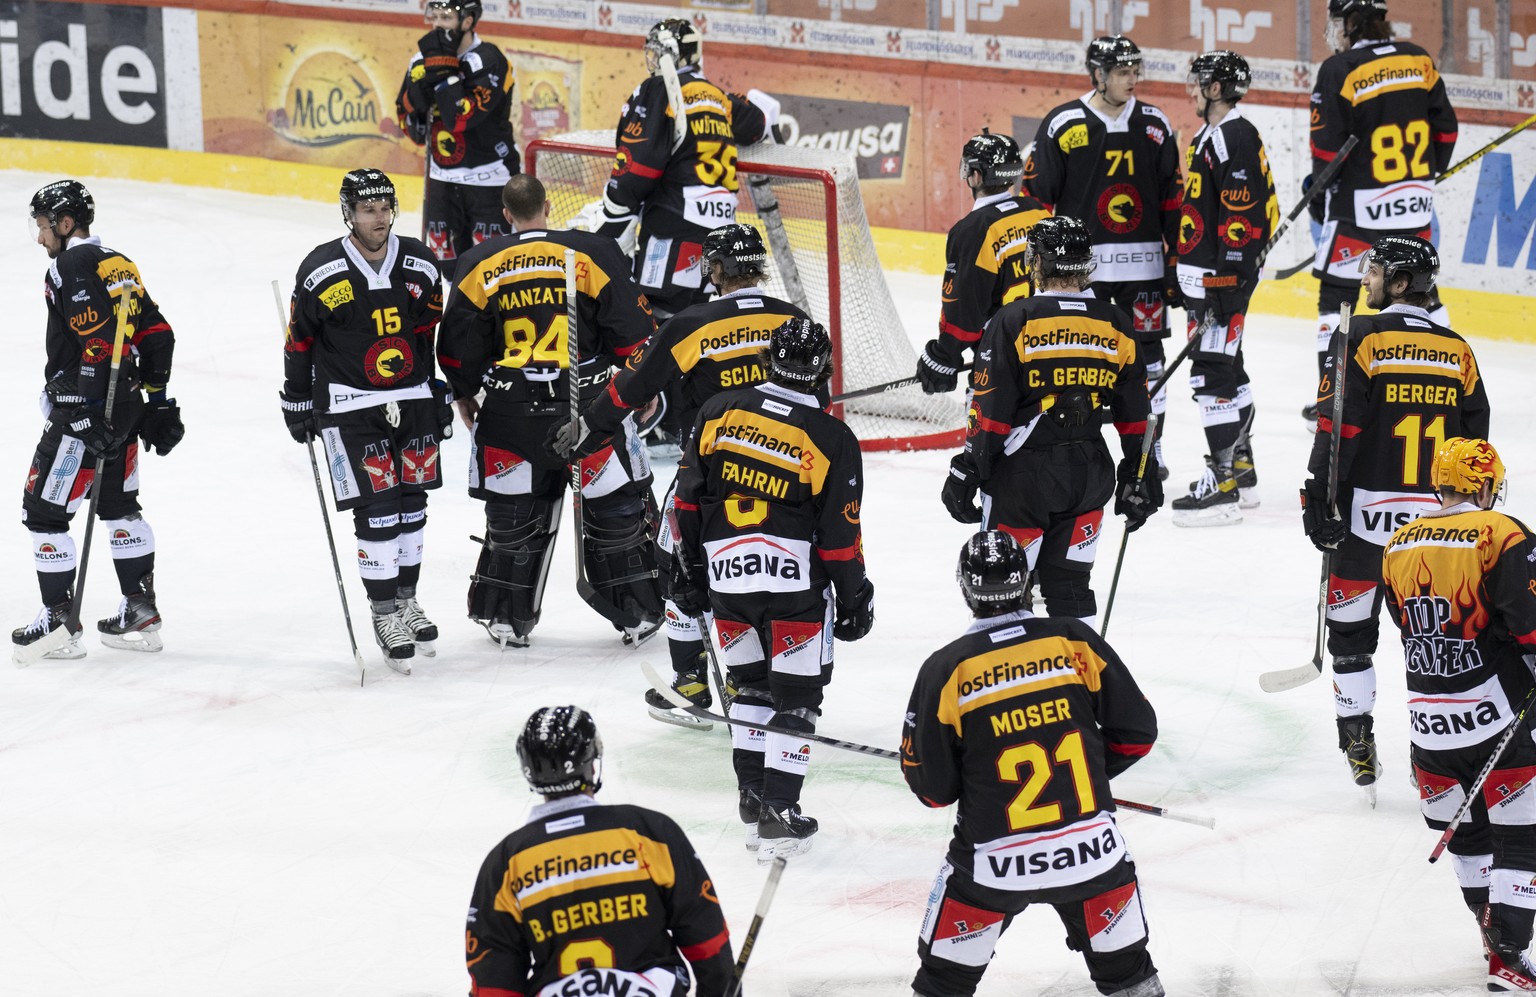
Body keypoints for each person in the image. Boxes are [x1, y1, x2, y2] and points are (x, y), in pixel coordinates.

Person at [550, 223, 812, 727]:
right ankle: (753, 681)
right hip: (788, 475)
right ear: (759, 265)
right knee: (767, 571)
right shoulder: (794, 320)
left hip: (713, 471)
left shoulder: (694, 323)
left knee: (679, 562)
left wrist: (589, 426)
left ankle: (692, 681)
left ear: (715, 269)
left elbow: (632, 386)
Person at [902, 530, 1162, 997]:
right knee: (1132, 981)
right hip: (1092, 855)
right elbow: (1138, 734)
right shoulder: (1072, 639)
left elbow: (932, 790)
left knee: (942, 985)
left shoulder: (947, 669)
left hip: (993, 867)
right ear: (1027, 582)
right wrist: (1084, 777)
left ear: (964, 588)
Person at [672, 317, 875, 860]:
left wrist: (689, 570)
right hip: (793, 585)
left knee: (752, 688)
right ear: (822, 370)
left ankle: (753, 798)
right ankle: (780, 810)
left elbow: (686, 503)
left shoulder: (715, 411)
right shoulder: (832, 437)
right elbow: (838, 541)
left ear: (768, 361)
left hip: (726, 575)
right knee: (797, 697)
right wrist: (856, 599)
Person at [439, 174, 662, 649]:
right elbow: (635, 331)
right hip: (591, 409)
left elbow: (457, 347)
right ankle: (637, 613)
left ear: (506, 214)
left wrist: (465, 392)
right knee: (618, 515)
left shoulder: (478, 261)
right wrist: (642, 388)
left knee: (513, 523)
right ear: (547, 207)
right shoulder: (593, 252)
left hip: (510, 414)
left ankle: (505, 616)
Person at [1301, 235, 1488, 794]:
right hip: (1436, 535)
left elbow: (1340, 430)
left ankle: (1357, 736)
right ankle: (1434, 751)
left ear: (1401, 283)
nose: (1364, 279)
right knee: (1431, 643)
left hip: (1363, 525)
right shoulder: (1458, 349)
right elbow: (1476, 446)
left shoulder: (1358, 336)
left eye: (1375, 271)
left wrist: (1320, 497)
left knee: (1352, 640)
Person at [942, 215, 1161, 625]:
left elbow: (989, 413)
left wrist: (969, 469)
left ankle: (1019, 682)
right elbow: (1138, 416)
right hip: (1089, 475)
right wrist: (1140, 473)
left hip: (1022, 480)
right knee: (1070, 588)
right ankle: (1078, 678)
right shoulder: (1115, 322)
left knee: (1004, 589)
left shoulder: (1014, 320)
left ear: (1036, 263)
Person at [1380, 438, 1536, 990]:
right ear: (1485, 485)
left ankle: (1490, 936)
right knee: (1521, 839)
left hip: (1427, 724)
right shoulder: (1501, 534)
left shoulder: (1397, 542)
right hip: (1498, 719)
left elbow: (1409, 626)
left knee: (1468, 839)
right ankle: (1509, 957)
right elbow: (1531, 625)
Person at [282, 169, 449, 672]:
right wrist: (296, 398)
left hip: (413, 398)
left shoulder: (419, 264)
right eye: (368, 209)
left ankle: (405, 599)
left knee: (412, 506)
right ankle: (382, 612)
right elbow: (299, 341)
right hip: (350, 406)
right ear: (348, 213)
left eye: (385, 208)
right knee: (378, 509)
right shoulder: (321, 270)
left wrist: (436, 387)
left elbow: (427, 332)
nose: (379, 218)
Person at [13, 180, 185, 662]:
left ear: (66, 224)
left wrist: (87, 413)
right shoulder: (116, 260)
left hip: (85, 408)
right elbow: (157, 333)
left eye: (45, 226)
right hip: (123, 405)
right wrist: (157, 399)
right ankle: (138, 607)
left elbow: (98, 343)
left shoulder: (70, 264)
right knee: (118, 507)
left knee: (43, 511)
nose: (41, 237)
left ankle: (57, 623)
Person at [465, 705, 737, 997]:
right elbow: (706, 936)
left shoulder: (506, 862)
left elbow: (494, 980)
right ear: (592, 763)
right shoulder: (649, 832)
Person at [1024, 34, 1182, 479]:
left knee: (1148, 359)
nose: (1133, 79)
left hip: (1144, 266)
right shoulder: (1064, 123)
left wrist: (1176, 262)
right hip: (1079, 271)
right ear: (1099, 74)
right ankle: (1079, 440)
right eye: (1123, 72)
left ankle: (1153, 447)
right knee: (1080, 352)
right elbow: (1039, 201)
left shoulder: (1153, 123)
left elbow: (1173, 199)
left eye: (1136, 71)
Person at [1303, 0, 1457, 422]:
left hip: (1358, 212)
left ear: (1351, 23)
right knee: (1420, 292)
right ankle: (1443, 383)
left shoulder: (1340, 69)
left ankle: (1331, 398)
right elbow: (1446, 129)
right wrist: (1429, 175)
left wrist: (1317, 192)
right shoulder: (1418, 59)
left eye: (1338, 22)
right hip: (1414, 205)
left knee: (1336, 297)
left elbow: (1327, 151)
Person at [594, 19, 774, 322]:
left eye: (657, 52)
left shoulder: (660, 89)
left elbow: (640, 164)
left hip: (673, 228)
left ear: (670, 54)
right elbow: (757, 125)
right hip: (721, 232)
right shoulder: (718, 97)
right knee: (702, 320)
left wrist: (616, 207)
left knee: (657, 321)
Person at [1170, 51, 1279, 526]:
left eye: (1197, 82)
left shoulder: (1234, 134)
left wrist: (1225, 283)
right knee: (1228, 372)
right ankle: (1242, 472)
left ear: (1216, 88)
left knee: (1210, 376)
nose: (1190, 90)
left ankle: (1224, 489)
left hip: (1220, 284)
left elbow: (1241, 218)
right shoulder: (1211, 134)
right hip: (1207, 282)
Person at [915, 129, 1049, 395]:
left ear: (975, 175)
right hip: (1046, 345)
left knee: (988, 434)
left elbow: (965, 308)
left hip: (1000, 359)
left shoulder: (973, 230)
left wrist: (946, 355)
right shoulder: (1037, 210)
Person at [394, 0, 518, 270]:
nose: (438, 25)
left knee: (494, 269)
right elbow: (410, 126)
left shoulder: (490, 60)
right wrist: (418, 99)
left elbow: (462, 119)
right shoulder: (419, 61)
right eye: (434, 16)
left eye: (446, 17)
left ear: (468, 21)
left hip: (490, 180)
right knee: (445, 268)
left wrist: (445, 76)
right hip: (441, 182)